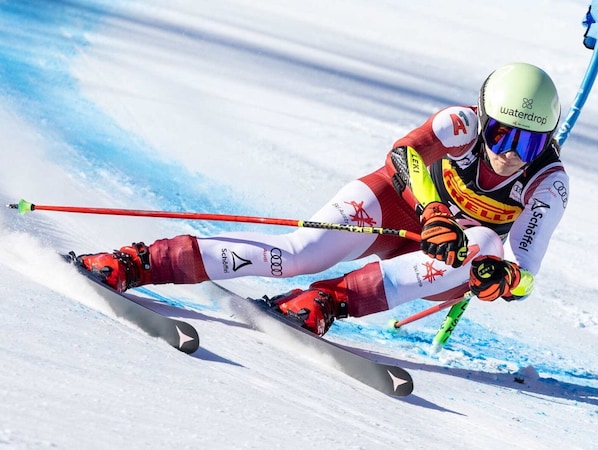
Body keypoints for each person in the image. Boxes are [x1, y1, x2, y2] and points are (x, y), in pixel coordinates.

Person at [76, 62, 569, 336]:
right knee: (297, 255)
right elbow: (405, 153)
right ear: (484, 119)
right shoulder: (459, 124)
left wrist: (499, 281)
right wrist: (435, 212)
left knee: (482, 241)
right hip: (394, 206)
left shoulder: (548, 184)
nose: (509, 153)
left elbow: (524, 275)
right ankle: (139, 262)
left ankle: (325, 301)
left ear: (545, 140)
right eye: (502, 134)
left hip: (445, 258)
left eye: (526, 142)